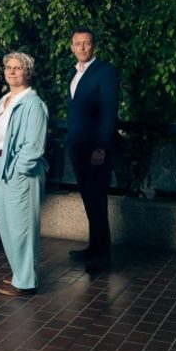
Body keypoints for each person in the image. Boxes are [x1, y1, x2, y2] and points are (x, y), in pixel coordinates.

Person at [0, 52, 49, 297]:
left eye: (17, 68)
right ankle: (19, 271)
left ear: (27, 72)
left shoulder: (33, 104)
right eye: (8, 67)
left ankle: (27, 281)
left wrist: (19, 170)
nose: (11, 71)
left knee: (22, 227)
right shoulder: (6, 99)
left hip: (19, 171)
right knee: (6, 226)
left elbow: (34, 146)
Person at [65, 29, 119, 273]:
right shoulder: (74, 73)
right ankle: (93, 246)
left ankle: (102, 254)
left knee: (97, 200)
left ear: (93, 46)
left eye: (87, 43)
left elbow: (109, 113)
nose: (82, 47)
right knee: (88, 199)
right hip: (78, 148)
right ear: (72, 47)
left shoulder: (105, 72)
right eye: (78, 44)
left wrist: (101, 147)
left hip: (95, 150)